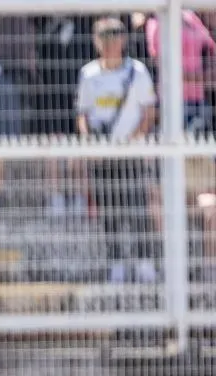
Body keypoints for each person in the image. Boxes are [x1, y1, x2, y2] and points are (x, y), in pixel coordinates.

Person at [76, 17, 158, 283]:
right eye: (104, 36)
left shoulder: (138, 71)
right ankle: (116, 265)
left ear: (124, 39)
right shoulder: (89, 74)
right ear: (96, 41)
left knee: (137, 210)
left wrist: (131, 141)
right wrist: (91, 144)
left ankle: (145, 263)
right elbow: (83, 115)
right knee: (109, 211)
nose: (111, 41)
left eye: (116, 35)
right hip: (102, 157)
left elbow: (148, 113)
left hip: (130, 155)